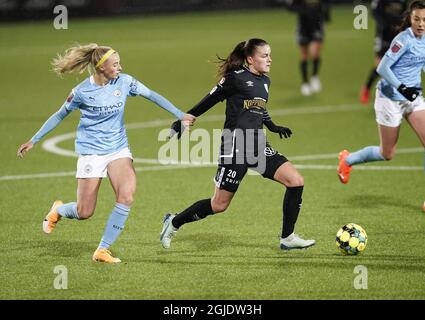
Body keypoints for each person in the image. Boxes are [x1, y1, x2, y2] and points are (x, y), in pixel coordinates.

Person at [17, 43, 195, 263]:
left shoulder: (125, 81)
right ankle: (59, 210)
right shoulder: (81, 92)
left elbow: (152, 95)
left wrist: (180, 114)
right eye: (115, 64)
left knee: (127, 195)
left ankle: (102, 249)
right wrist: (34, 140)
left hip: (118, 148)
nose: (120, 67)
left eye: (119, 63)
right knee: (85, 212)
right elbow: (59, 115)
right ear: (101, 68)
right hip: (91, 152)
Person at [160, 38, 315, 251]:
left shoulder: (265, 81)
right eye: (264, 55)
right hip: (235, 146)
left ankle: (287, 238)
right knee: (219, 205)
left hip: (258, 145)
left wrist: (271, 125)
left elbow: (258, 107)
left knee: (296, 181)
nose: (269, 59)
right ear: (250, 59)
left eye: (270, 55)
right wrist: (185, 119)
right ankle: (174, 222)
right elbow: (211, 98)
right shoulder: (234, 78)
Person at [338, 1, 425, 211]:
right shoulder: (403, 40)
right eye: (417, 19)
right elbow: (382, 67)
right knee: (387, 153)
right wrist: (402, 87)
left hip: (413, 97)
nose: (421, 24)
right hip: (389, 98)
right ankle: (347, 160)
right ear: (410, 19)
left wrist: (410, 90)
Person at [360, 0, 408, 104]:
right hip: (383, 35)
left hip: (397, 35)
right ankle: (366, 89)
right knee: (379, 65)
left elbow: (405, 14)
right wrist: (386, 24)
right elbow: (375, 12)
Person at [284, 0, 331, 96]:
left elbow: (327, 3)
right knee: (304, 55)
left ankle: (314, 76)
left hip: (317, 24)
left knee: (315, 53)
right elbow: (290, 6)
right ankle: (305, 83)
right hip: (303, 26)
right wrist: (302, 10)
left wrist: (326, 13)